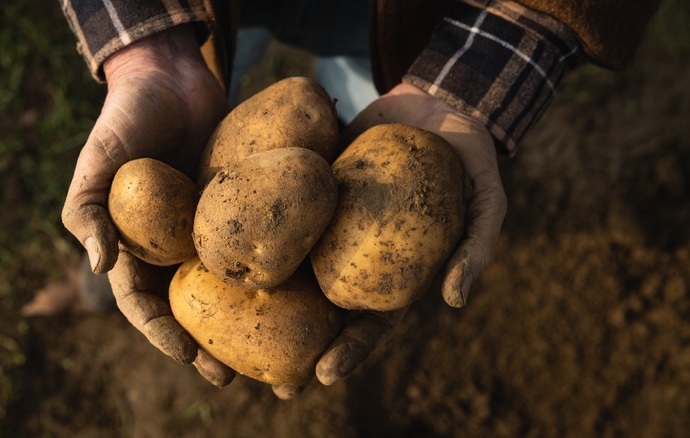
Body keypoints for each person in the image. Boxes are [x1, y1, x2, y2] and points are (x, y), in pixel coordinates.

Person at [57, 0, 660, 399]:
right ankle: (116, 255)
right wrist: (147, 50)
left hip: (424, 21)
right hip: (208, 10)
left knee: (360, 106)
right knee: (185, 131)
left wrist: (497, 52)